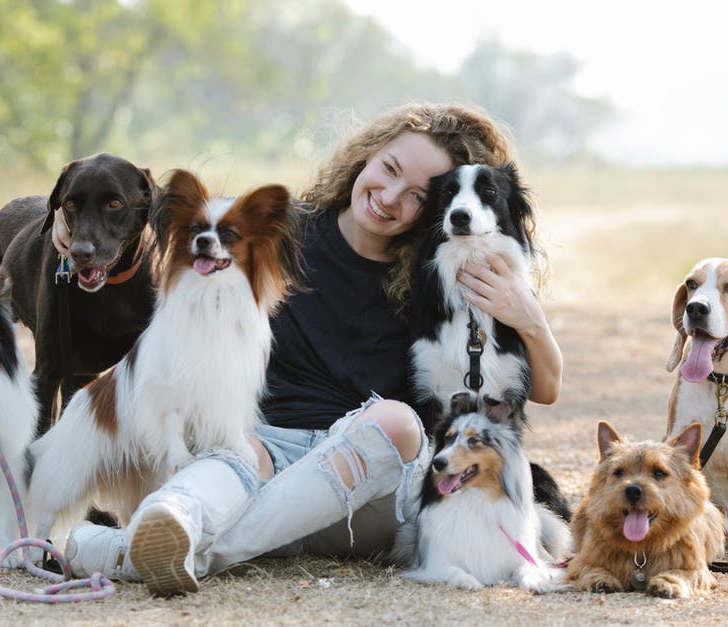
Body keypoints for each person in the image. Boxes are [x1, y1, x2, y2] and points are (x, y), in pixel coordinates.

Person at [60, 103, 563, 596]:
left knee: (397, 423)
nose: (389, 196)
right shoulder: (280, 231)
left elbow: (544, 387)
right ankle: (172, 528)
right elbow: (172, 221)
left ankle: (125, 551)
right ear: (365, 155)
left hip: (363, 484)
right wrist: (69, 231)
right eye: (387, 169)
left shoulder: (435, 279)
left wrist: (530, 317)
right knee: (233, 447)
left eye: (414, 195)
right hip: (262, 453)